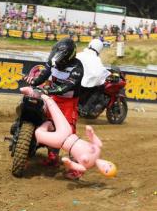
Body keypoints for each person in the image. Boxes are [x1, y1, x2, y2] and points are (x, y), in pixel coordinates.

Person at [25, 38, 84, 178]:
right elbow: (45, 73)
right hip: (53, 98)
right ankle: (51, 157)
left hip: (69, 103)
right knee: (42, 122)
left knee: (69, 134)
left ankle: (77, 168)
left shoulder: (77, 67)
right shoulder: (54, 61)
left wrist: (50, 90)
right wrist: (34, 81)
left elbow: (69, 85)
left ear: (68, 56)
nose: (57, 62)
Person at [77, 39, 110, 117]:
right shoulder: (95, 59)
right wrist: (108, 74)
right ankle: (86, 108)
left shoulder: (79, 54)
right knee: (100, 88)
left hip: (76, 81)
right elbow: (100, 72)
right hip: (85, 84)